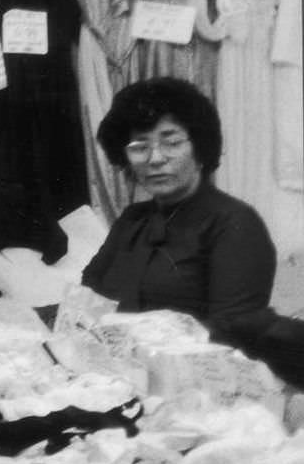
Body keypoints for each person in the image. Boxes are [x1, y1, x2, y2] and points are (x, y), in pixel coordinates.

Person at [81, 77, 304, 387]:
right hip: (116, 380)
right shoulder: (132, 219)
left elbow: (233, 329)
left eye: (172, 142)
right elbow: (89, 295)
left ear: (200, 148)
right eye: (139, 146)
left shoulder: (234, 221)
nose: (155, 158)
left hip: (197, 389)